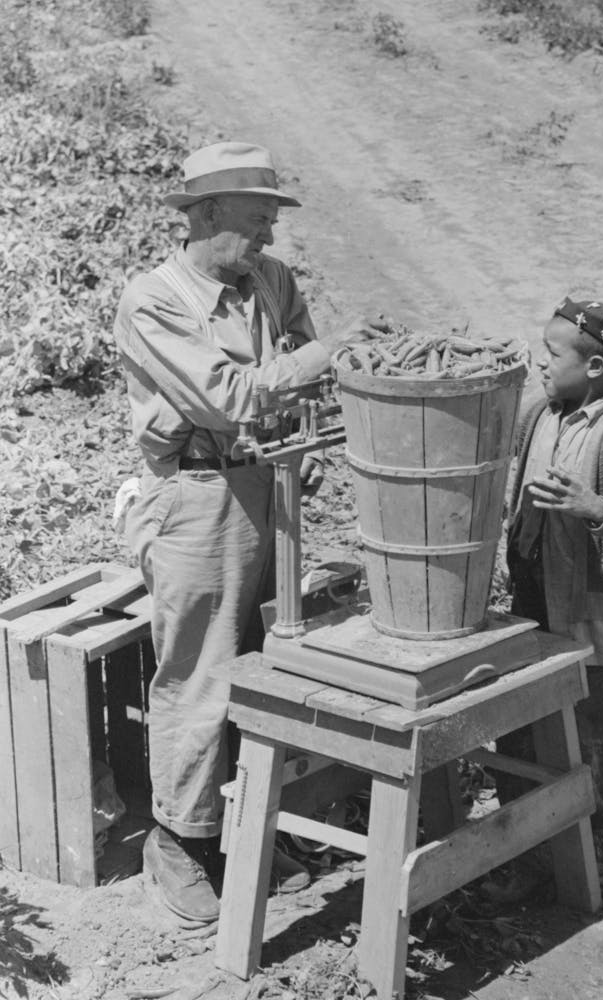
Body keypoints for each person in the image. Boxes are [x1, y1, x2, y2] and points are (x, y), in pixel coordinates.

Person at [114, 140, 377, 923]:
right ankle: (177, 843)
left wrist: (312, 421)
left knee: (267, 661)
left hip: (270, 484)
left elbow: (298, 373)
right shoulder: (153, 300)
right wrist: (322, 361)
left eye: (271, 221)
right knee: (200, 673)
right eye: (256, 221)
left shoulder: (272, 281)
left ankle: (243, 828)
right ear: (204, 214)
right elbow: (228, 396)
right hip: (196, 495)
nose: (267, 237)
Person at [494, 295, 603, 894]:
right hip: (531, 604)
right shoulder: (542, 412)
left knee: (593, 740)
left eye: (551, 354)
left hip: (591, 620)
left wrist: (595, 508)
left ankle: (599, 856)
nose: (542, 364)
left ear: (595, 367)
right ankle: (526, 852)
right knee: (518, 731)